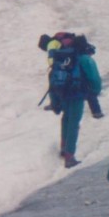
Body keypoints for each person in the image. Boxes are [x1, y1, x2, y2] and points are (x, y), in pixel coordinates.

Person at [39, 33, 103, 168]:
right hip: (77, 93)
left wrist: (55, 100)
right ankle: (70, 156)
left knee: (66, 119)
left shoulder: (62, 56)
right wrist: (95, 91)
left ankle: (63, 148)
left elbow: (53, 76)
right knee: (74, 122)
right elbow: (94, 78)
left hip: (63, 92)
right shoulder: (85, 59)